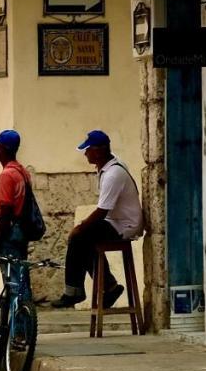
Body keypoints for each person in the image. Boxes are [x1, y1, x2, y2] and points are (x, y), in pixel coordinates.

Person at [51, 130, 144, 309]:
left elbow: (101, 212)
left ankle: (73, 292)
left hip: (124, 225)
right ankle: (109, 286)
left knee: (78, 237)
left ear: (100, 151)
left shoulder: (113, 174)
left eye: (88, 150)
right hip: (115, 221)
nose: (86, 154)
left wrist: (80, 226)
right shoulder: (108, 168)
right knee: (84, 241)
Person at [0, 129, 31, 269]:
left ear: (2, 148)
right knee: (21, 276)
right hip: (22, 230)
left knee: (13, 280)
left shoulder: (6, 175)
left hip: (10, 233)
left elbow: (5, 212)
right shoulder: (22, 172)